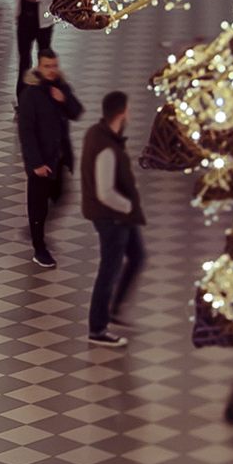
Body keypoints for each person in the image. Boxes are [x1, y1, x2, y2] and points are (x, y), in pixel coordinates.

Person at [81, 90, 146, 347]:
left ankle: (115, 309)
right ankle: (98, 328)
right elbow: (104, 192)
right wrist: (128, 206)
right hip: (112, 218)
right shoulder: (106, 147)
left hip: (120, 217)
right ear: (121, 113)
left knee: (137, 255)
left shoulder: (99, 134)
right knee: (109, 269)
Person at [14, 47, 82, 269]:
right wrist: (35, 164)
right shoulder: (30, 95)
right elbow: (26, 132)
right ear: (39, 66)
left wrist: (64, 99)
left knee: (61, 195)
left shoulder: (60, 87)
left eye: (54, 66)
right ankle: (38, 246)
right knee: (38, 205)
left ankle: (38, 229)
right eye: (47, 66)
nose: (52, 70)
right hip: (41, 163)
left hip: (59, 158)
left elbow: (76, 111)